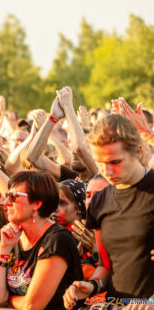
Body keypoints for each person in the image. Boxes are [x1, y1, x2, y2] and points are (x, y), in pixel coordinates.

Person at [63, 113, 154, 309]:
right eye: (100, 162)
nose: (107, 171)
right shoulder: (100, 200)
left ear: (138, 152)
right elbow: (106, 265)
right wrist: (91, 286)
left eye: (115, 162)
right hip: (116, 304)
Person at [0, 171, 83, 310]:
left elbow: (32, 305)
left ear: (36, 203)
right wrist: (4, 249)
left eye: (13, 197)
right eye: (7, 196)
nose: (6, 203)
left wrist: (9, 299)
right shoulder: (13, 239)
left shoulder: (58, 240)